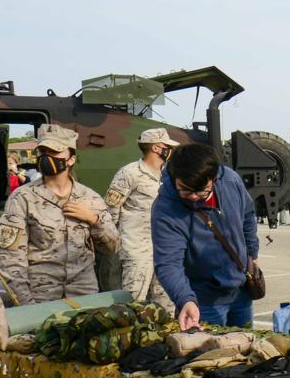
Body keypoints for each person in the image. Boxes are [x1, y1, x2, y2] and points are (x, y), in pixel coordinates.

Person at [0, 124, 119, 305]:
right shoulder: (23, 198)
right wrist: (26, 304)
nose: (46, 157)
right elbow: (11, 259)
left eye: (54, 152)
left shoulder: (90, 198)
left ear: (70, 159)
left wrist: (93, 220)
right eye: (43, 151)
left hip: (84, 295)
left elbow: (113, 247)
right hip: (41, 295)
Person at [152, 142, 259, 329]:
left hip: (242, 293)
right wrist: (186, 300)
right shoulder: (165, 208)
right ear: (174, 177)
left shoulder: (231, 182)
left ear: (214, 179)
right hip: (203, 300)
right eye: (185, 189)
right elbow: (168, 263)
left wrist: (253, 253)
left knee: (246, 353)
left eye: (201, 191)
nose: (193, 196)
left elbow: (248, 215)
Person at [106, 127, 177, 307]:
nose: (170, 150)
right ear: (155, 148)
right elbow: (111, 210)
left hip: (163, 249)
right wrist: (116, 244)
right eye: (166, 146)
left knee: (166, 303)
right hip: (137, 250)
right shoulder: (129, 173)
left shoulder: (168, 175)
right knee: (133, 302)